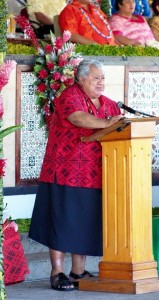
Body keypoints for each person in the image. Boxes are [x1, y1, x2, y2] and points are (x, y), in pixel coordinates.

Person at [28, 59, 123, 291]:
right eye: (96, 78)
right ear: (80, 79)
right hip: (65, 170)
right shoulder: (70, 96)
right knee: (61, 221)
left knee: (84, 222)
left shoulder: (110, 104)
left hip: (95, 174)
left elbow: (120, 126)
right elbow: (77, 117)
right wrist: (105, 123)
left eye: (103, 78)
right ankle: (57, 272)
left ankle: (78, 271)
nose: (101, 82)